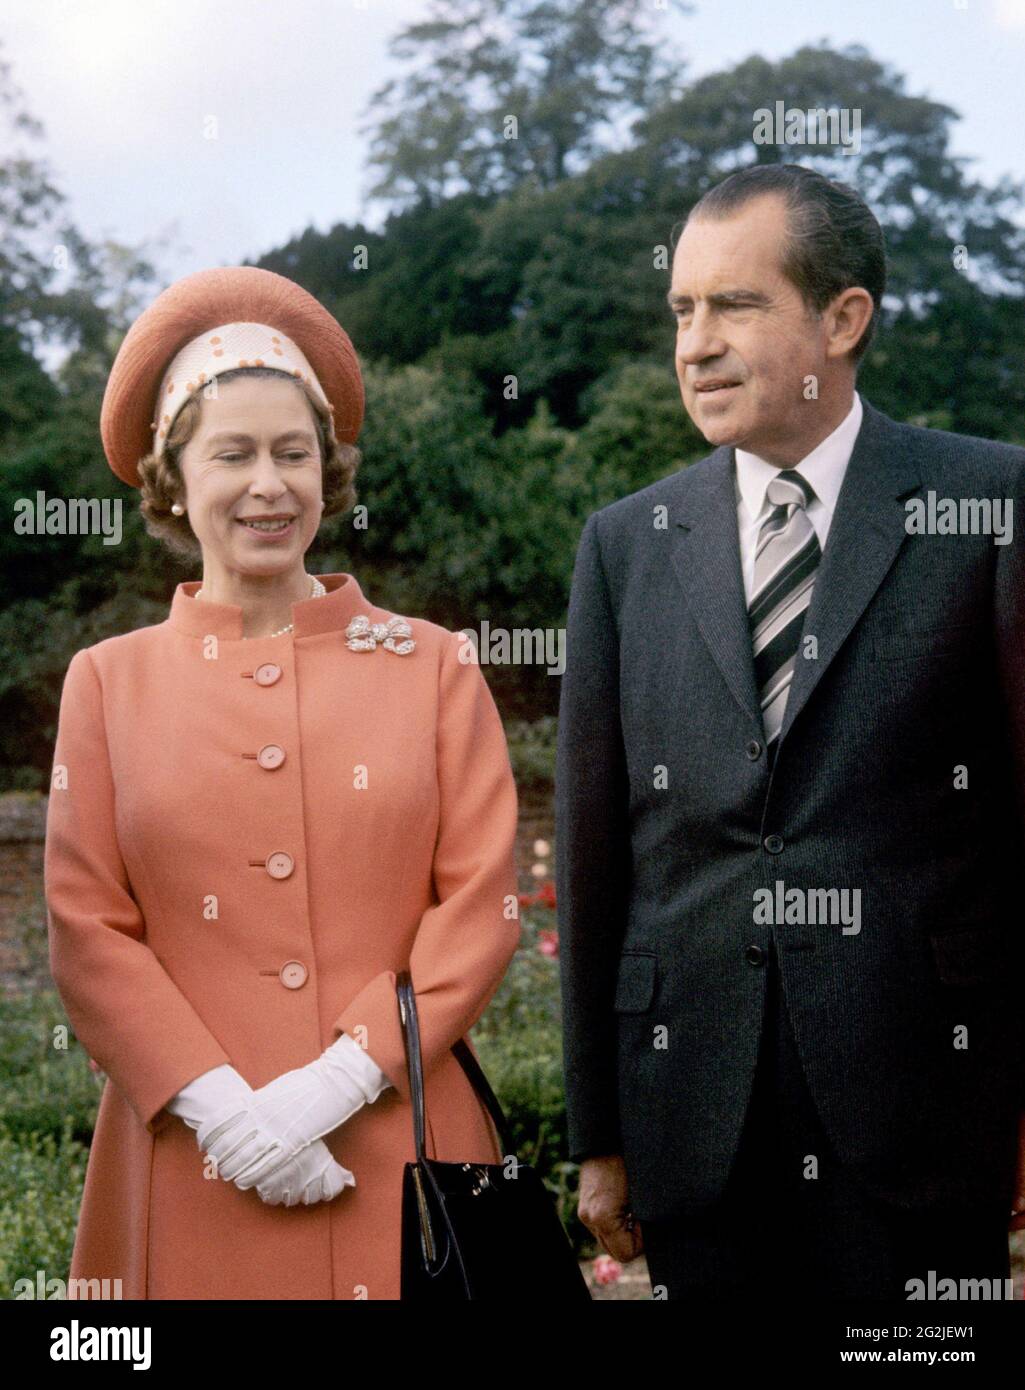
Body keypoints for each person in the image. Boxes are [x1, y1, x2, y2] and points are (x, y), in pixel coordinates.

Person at [556, 164, 1025, 1299]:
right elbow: (592, 856)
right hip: (692, 1127)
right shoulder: (625, 545)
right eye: (680, 310)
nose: (695, 343)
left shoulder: (988, 508)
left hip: (925, 1118)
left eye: (735, 305)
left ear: (842, 317)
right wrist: (598, 1132)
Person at [44, 265, 520, 1300]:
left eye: (293, 454)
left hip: (405, 1143)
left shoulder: (434, 664)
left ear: (328, 471)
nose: (270, 484)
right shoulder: (105, 684)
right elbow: (87, 929)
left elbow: (479, 903)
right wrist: (226, 1112)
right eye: (233, 454)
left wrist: (332, 1085)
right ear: (171, 479)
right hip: (185, 1157)